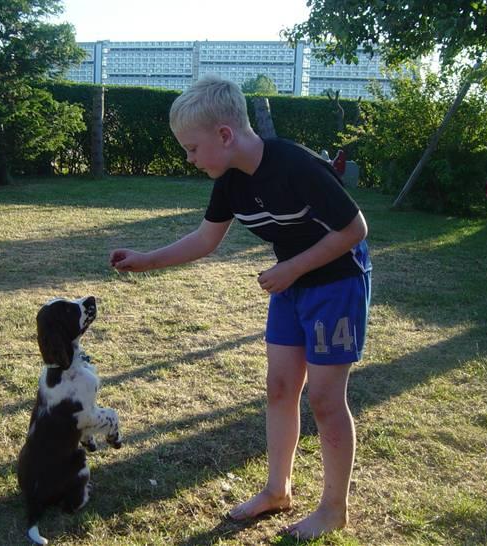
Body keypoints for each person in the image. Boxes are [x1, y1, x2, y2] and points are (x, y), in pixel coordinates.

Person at [109, 75, 371, 540]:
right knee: (279, 387)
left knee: (326, 400)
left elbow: (355, 230)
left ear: (224, 135)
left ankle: (334, 509)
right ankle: (277, 490)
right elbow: (205, 240)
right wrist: (145, 261)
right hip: (290, 282)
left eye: (192, 148)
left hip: (336, 281)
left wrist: (292, 269)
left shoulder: (296, 165)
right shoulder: (230, 182)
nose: (189, 158)